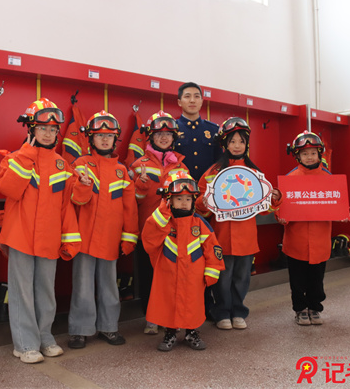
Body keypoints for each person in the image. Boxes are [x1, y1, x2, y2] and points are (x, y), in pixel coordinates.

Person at [0, 98, 81, 364]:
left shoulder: (62, 165)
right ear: (31, 129)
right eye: (43, 128)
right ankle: (25, 345)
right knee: (22, 292)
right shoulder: (14, 159)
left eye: (53, 129)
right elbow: (9, 188)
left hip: (48, 239)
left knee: (46, 292)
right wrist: (28, 154)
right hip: (20, 237)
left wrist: (69, 238)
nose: (48, 133)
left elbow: (69, 205)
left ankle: (45, 338)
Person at [196, 118, 282, 330]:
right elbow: (199, 205)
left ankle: (238, 311)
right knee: (222, 277)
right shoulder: (213, 172)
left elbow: (264, 207)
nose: (237, 145)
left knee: (242, 277)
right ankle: (222, 312)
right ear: (224, 144)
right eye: (232, 141)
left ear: (247, 144)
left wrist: (275, 199)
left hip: (246, 236)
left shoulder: (255, 173)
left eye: (241, 141)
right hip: (221, 235)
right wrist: (204, 201)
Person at [67, 111, 139, 349]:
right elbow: (74, 201)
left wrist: (129, 238)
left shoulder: (121, 171)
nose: (105, 139)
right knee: (83, 287)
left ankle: (109, 327)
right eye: (100, 135)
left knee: (109, 286)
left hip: (110, 239)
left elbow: (130, 209)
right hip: (84, 239)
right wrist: (82, 186)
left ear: (115, 139)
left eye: (109, 135)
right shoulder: (79, 165)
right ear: (91, 138)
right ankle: (80, 330)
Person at [141, 171, 224, 351]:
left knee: (192, 305)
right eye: (179, 199)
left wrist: (212, 270)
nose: (184, 203)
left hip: (194, 276)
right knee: (169, 305)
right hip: (168, 274)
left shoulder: (200, 224)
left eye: (188, 199)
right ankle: (170, 333)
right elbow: (149, 240)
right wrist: (163, 213)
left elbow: (213, 247)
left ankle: (191, 333)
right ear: (168, 200)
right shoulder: (162, 222)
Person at [130, 111, 189, 334]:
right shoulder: (138, 165)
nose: (164, 137)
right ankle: (151, 318)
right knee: (148, 276)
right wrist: (141, 186)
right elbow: (132, 202)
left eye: (168, 134)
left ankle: (171, 317)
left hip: (173, 232)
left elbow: (187, 201)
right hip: (148, 231)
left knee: (172, 275)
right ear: (150, 137)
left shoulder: (181, 167)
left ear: (174, 137)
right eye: (159, 134)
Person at [275, 131, 332, 326]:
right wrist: (280, 216)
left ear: (320, 154)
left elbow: (337, 202)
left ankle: (315, 308)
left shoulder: (328, 178)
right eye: (305, 153)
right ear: (297, 155)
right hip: (296, 240)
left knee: (317, 279)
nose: (309, 157)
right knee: (297, 280)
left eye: (313, 153)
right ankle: (300, 309)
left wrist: (342, 212)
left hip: (320, 239)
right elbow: (280, 207)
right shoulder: (290, 178)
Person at [174, 82, 222, 182]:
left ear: (201, 101)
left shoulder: (213, 130)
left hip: (207, 187)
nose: (192, 100)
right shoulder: (172, 128)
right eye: (187, 96)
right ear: (179, 102)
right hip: (180, 187)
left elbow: (219, 161)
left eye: (196, 96)